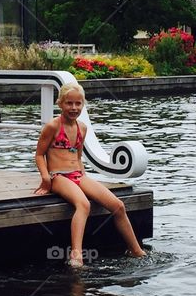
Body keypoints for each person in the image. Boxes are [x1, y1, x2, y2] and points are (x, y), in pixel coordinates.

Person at [34, 83, 147, 267]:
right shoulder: (53, 126)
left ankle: (135, 250)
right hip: (58, 177)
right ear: (60, 103)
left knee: (118, 206)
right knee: (84, 204)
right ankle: (76, 255)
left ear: (83, 104)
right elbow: (39, 154)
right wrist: (46, 179)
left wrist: (84, 179)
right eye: (69, 103)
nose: (74, 108)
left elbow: (77, 156)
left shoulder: (82, 128)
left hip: (77, 175)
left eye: (78, 104)